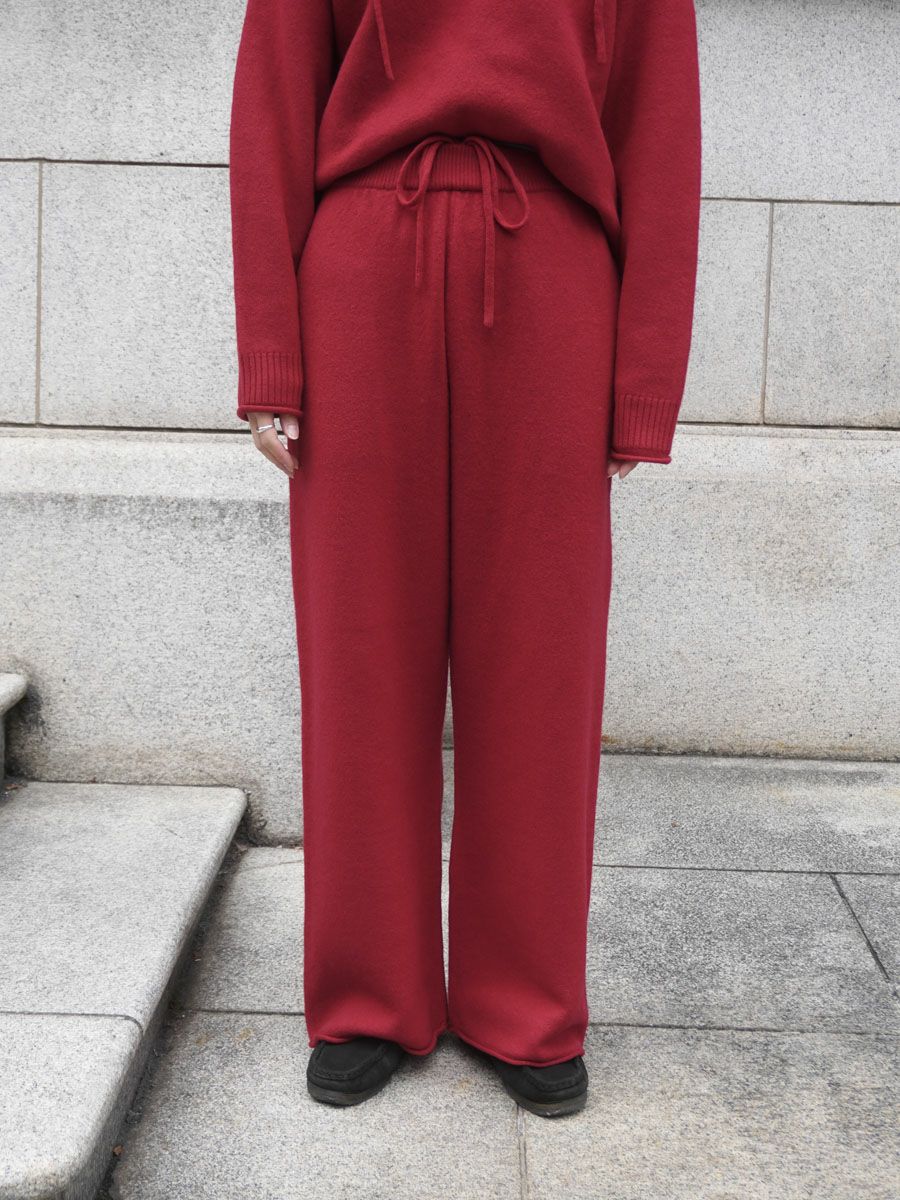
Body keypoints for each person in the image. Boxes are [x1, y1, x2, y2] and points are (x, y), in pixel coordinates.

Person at [229, 0, 701, 1118]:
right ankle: (366, 995)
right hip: (357, 278)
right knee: (358, 656)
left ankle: (525, 1001)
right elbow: (273, 105)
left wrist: (642, 385)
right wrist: (271, 355)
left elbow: (659, 131)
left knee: (541, 663)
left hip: (553, 283)